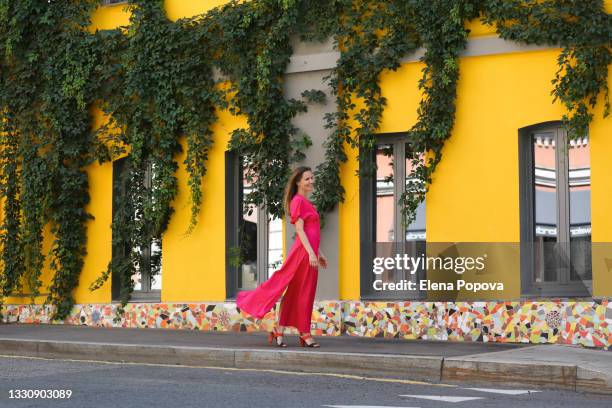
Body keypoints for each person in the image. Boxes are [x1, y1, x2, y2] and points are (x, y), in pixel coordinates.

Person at [236, 166, 328, 347]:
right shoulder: (298, 201)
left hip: (309, 253)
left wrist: (319, 253)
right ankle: (304, 332)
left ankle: (280, 329)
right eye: (307, 179)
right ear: (298, 182)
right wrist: (311, 252)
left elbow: (312, 232)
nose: (311, 181)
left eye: (312, 178)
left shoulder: (308, 203)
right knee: (301, 292)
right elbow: (300, 230)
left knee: (299, 293)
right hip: (303, 254)